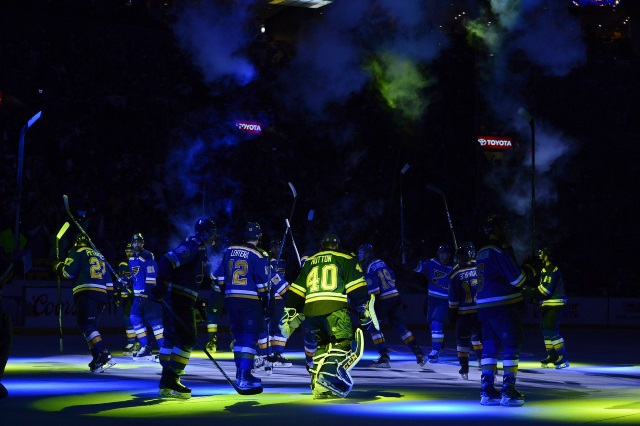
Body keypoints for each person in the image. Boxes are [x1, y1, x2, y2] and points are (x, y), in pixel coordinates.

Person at [279, 234, 372, 399]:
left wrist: (290, 311)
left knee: (322, 347)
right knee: (342, 344)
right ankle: (328, 376)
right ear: (337, 245)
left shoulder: (311, 261)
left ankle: (317, 385)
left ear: (322, 245)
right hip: (334, 308)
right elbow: (356, 287)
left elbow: (296, 291)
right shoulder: (346, 257)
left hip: (312, 311)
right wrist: (363, 310)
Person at [151, 219, 218, 399]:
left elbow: (187, 276)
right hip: (178, 299)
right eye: (212, 231)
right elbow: (167, 260)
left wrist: (195, 301)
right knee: (188, 339)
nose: (215, 235)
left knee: (172, 338)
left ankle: (165, 382)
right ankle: (172, 378)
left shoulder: (200, 248)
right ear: (203, 232)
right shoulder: (193, 244)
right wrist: (161, 286)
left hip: (181, 298)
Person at [475, 214, 536, 407]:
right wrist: (530, 269)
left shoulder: (480, 252)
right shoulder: (498, 249)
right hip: (502, 305)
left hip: (484, 307)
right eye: (504, 227)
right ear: (497, 229)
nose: (507, 231)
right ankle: (508, 390)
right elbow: (517, 279)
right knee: (512, 343)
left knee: (490, 348)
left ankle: (487, 390)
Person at [215, 222, 270, 393]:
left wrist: (226, 295)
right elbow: (262, 285)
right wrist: (266, 302)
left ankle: (240, 372)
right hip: (249, 301)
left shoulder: (229, 250)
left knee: (238, 338)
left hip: (231, 299)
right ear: (259, 237)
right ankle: (245, 375)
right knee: (248, 338)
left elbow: (219, 278)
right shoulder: (258, 254)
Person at [357, 243, 427, 368]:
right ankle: (419, 354)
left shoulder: (367, 266)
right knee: (400, 327)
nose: (359, 255)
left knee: (374, 327)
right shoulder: (381, 262)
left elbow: (374, 291)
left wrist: (368, 306)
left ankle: (384, 357)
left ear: (367, 254)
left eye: (361, 252)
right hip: (395, 295)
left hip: (383, 299)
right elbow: (392, 276)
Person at [53, 234, 115, 373]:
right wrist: (110, 295)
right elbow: (109, 280)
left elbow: (68, 273)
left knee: (86, 325)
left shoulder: (77, 251)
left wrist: (58, 266)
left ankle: (102, 353)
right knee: (91, 327)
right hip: (101, 294)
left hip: (86, 291)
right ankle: (98, 356)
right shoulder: (99, 255)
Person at [448, 243, 482, 380]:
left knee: (462, 341)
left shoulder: (455, 272)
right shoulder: (480, 267)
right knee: (480, 338)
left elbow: (453, 298)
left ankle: (464, 368)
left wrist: (452, 312)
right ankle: (485, 364)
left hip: (464, 313)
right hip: (480, 311)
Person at [414, 244, 453, 363]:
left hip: (444, 300)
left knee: (436, 323)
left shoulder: (453, 267)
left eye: (444, 253)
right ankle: (440, 347)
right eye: (440, 253)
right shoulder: (431, 263)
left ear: (449, 255)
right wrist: (411, 255)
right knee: (431, 323)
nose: (442, 256)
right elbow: (417, 268)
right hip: (431, 299)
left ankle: (435, 351)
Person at [129, 233, 163, 361]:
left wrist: (146, 294)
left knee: (155, 323)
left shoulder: (147, 255)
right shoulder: (132, 258)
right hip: (139, 296)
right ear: (132, 243)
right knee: (134, 318)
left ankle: (163, 351)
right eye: (135, 242)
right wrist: (127, 280)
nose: (137, 244)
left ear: (143, 243)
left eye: (139, 242)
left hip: (149, 295)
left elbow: (151, 276)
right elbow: (136, 276)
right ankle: (146, 348)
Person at [535, 247, 570, 369]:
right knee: (545, 330)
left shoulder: (552, 269)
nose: (540, 256)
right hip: (548, 304)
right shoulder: (545, 269)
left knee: (551, 330)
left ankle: (563, 358)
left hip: (555, 303)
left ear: (547, 256)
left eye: (542, 254)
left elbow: (546, 290)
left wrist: (531, 291)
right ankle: (552, 356)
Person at [116, 243, 139, 355]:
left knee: (131, 318)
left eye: (131, 251)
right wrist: (117, 294)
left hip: (135, 296)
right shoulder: (122, 264)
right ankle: (135, 343)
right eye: (127, 251)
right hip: (125, 296)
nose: (129, 253)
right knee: (128, 319)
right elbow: (120, 281)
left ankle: (134, 343)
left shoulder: (138, 262)